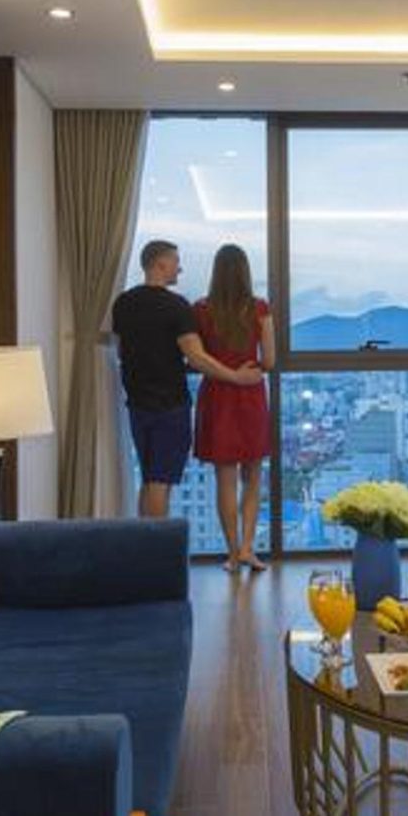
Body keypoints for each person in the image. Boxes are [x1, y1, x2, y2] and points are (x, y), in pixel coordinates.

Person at [110, 239, 263, 520]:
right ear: (160, 264)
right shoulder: (176, 306)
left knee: (149, 477)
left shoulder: (124, 303)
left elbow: (122, 350)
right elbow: (196, 357)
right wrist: (236, 377)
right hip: (169, 403)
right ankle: (159, 545)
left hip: (136, 402)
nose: (179, 270)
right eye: (176, 262)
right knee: (161, 480)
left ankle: (142, 541)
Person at [192, 244, 275, 570]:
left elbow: (196, 356)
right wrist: (251, 368)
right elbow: (270, 359)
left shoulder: (201, 309)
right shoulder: (259, 308)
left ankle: (231, 554)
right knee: (252, 477)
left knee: (224, 479)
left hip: (217, 395)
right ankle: (248, 548)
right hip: (251, 394)